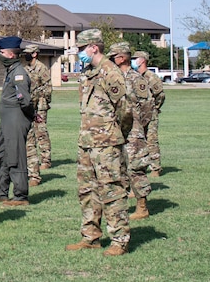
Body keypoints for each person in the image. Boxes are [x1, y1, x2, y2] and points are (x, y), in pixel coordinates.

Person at [67, 29, 134, 254]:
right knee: (87, 192)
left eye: (81, 48)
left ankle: (120, 240)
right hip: (87, 142)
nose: (78, 53)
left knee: (112, 191)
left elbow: (124, 110)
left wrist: (116, 135)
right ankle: (90, 236)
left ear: (93, 47)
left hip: (106, 143)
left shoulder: (110, 72)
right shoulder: (88, 73)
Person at [0, 37, 32, 207]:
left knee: (16, 156)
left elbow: (25, 101)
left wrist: (28, 117)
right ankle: (1, 192)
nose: (0, 56)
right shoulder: (11, 71)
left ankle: (20, 196)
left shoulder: (19, 73)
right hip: (6, 121)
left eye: (2, 53)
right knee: (2, 155)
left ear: (11, 55)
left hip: (16, 119)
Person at [124, 48, 156, 219]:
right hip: (118, 130)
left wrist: (139, 125)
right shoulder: (115, 77)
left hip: (134, 131)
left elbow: (148, 105)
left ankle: (142, 206)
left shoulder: (137, 79)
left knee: (136, 168)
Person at [24, 45, 54, 184]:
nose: (26, 55)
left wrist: (41, 99)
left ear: (35, 54)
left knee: (41, 131)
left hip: (40, 104)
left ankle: (46, 159)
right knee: (30, 133)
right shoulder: (25, 69)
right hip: (29, 104)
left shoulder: (41, 68)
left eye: (29, 53)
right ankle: (32, 160)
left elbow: (48, 88)